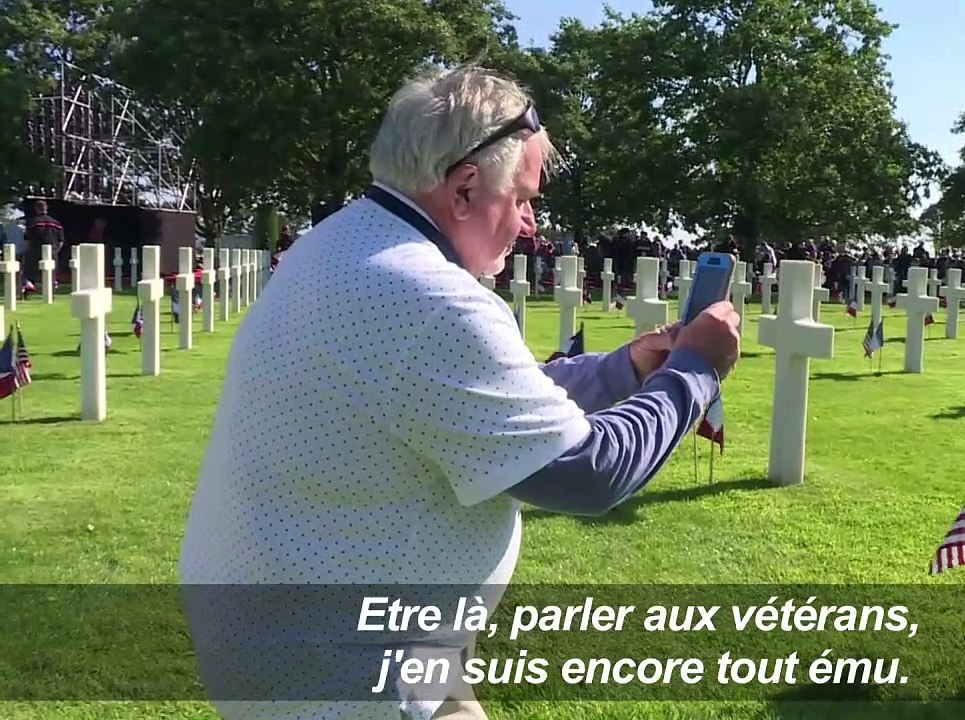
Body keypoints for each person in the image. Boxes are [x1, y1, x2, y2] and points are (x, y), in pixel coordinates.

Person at [178, 65, 740, 720]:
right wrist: (694, 371)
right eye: (524, 197)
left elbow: (456, 401)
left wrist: (626, 370)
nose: (529, 224)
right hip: (350, 675)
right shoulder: (429, 298)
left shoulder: (339, 244)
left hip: (295, 629)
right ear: (467, 188)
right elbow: (586, 474)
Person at [21, 199, 63, 288]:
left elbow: (28, 239)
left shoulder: (33, 222)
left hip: (35, 250)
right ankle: (52, 284)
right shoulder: (56, 223)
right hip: (52, 251)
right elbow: (61, 241)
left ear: (36, 208)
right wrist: (55, 251)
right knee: (51, 273)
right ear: (46, 208)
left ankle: (29, 284)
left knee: (28, 272)